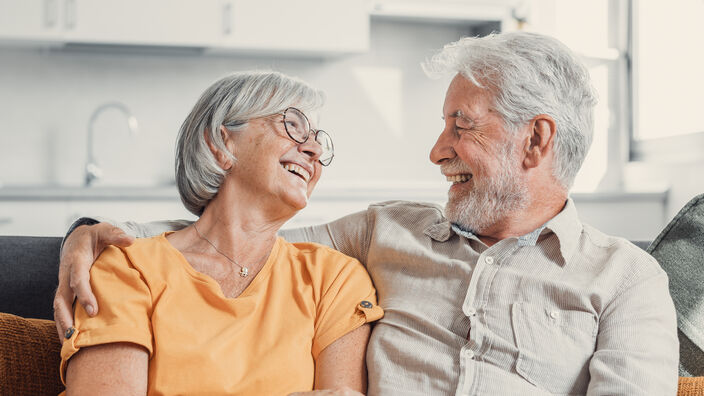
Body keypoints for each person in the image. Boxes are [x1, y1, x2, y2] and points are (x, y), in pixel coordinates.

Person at [55, 32, 679, 395]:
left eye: (460, 126)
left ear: (535, 141)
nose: (436, 152)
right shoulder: (385, 232)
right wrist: (92, 234)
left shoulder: (626, 281)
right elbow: (236, 235)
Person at [58, 71, 383, 395]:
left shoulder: (335, 280)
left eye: (318, 139)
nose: (313, 149)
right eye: (292, 125)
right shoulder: (129, 268)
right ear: (219, 143)